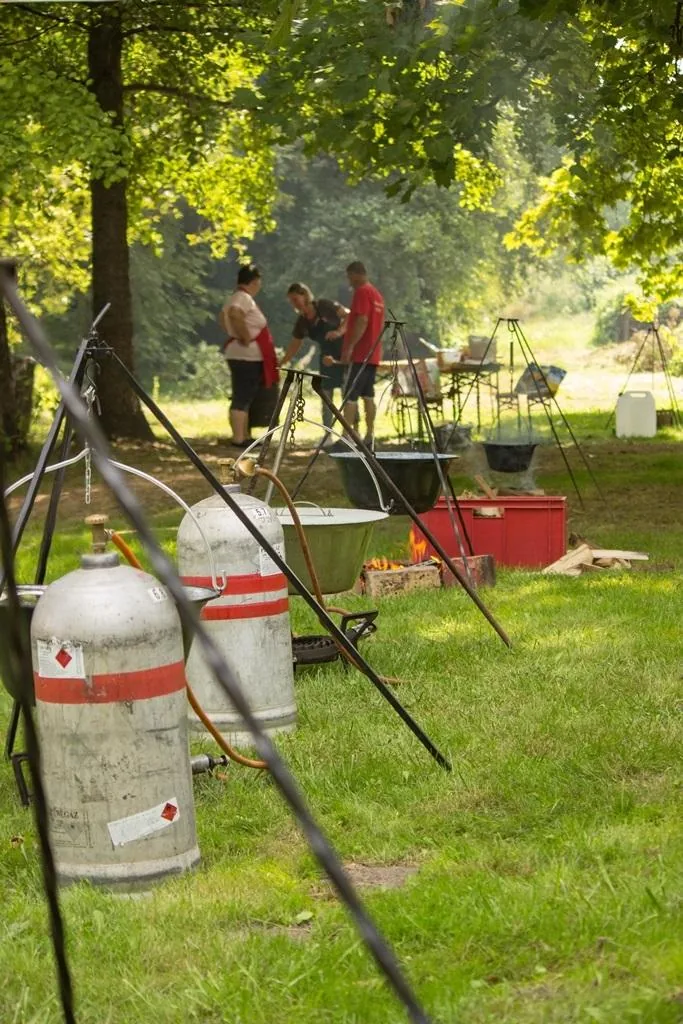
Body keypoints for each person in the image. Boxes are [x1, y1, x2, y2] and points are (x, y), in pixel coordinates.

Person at [324, 260, 385, 445]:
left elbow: (362, 321)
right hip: (373, 353)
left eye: (349, 276)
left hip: (360, 354)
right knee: (368, 395)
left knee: (350, 395)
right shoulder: (377, 295)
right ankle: (369, 435)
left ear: (356, 273)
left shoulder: (362, 292)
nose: (349, 281)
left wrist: (350, 346)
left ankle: (346, 436)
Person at [219, 264, 279, 448]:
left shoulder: (235, 297)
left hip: (242, 353)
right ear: (253, 282)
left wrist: (234, 334)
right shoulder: (243, 298)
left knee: (244, 395)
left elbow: (222, 317)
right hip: (247, 355)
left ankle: (243, 434)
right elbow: (234, 314)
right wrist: (244, 336)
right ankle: (239, 438)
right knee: (243, 396)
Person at [280, 283, 348, 441]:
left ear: (304, 295)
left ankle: (351, 433)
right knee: (326, 396)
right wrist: (282, 362)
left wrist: (338, 332)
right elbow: (295, 344)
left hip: (344, 354)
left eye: (295, 299)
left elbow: (348, 316)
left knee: (347, 393)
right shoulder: (302, 321)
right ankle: (328, 434)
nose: (294, 304)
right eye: (291, 301)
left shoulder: (325, 305)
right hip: (325, 357)